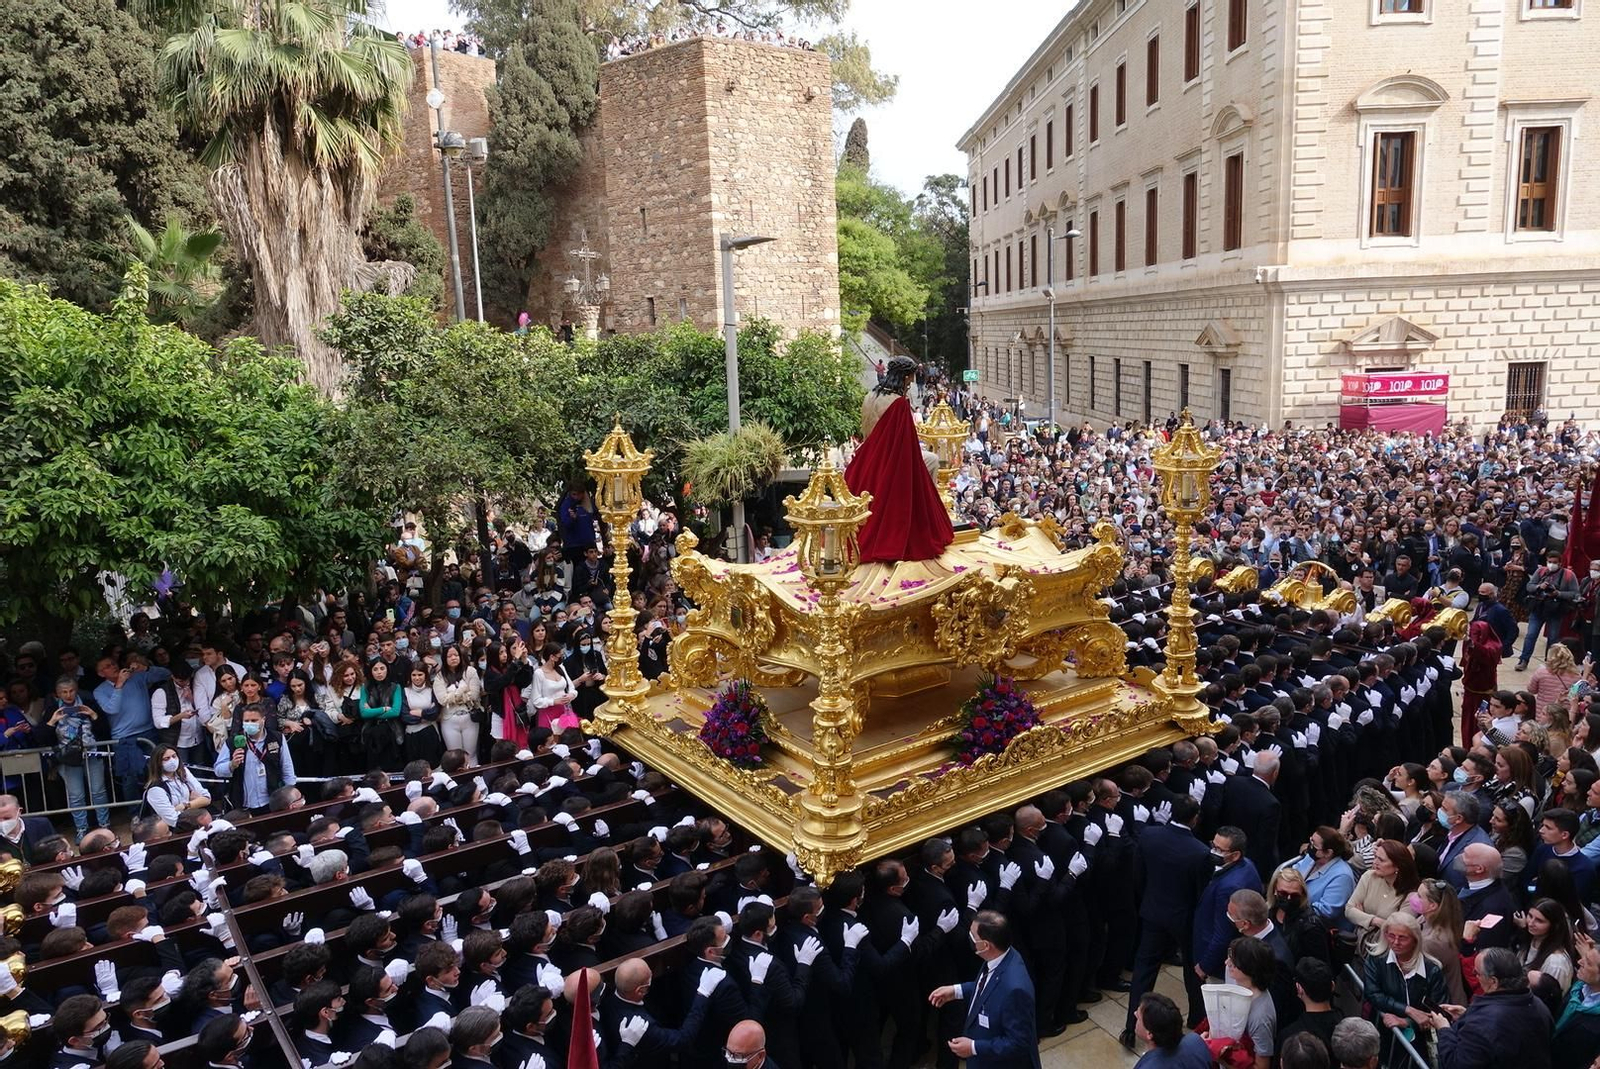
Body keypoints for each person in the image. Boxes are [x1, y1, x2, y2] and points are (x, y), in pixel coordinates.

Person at [844, 355, 955, 563]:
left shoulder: (870, 395)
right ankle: (923, 520)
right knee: (932, 460)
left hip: (865, 456)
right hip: (889, 459)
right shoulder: (899, 403)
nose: (911, 382)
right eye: (910, 378)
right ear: (905, 377)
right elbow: (906, 443)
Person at [927, 910, 1040, 1069]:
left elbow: (1018, 1042)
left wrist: (973, 1047)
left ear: (985, 945)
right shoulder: (1000, 957)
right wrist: (957, 991)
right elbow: (988, 987)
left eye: (973, 936)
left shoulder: (1015, 990)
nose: (970, 938)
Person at [1431, 947, 1553, 1069]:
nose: (1475, 977)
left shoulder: (1481, 1024)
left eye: (1477, 973)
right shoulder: (1539, 1006)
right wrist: (1467, 1015)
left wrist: (1444, 1029)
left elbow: (1456, 1064)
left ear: (1494, 982)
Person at [1363, 911, 1445, 1066]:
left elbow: (1439, 1010)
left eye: (1402, 938)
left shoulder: (1432, 970)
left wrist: (1407, 1022)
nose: (1395, 942)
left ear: (1415, 940)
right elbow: (1373, 994)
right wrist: (1408, 1010)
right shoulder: (1376, 960)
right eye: (1391, 936)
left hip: (1420, 1042)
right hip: (1384, 1035)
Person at [44, 676, 110, 835]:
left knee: (98, 791)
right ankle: (81, 829)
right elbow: (42, 737)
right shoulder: (53, 709)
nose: (68, 695)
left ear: (77, 690)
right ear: (58, 694)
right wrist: (52, 721)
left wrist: (93, 715)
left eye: (71, 691)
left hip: (91, 752)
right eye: (64, 692)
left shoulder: (88, 704)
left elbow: (105, 730)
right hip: (67, 757)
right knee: (76, 796)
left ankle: (104, 825)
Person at [1519, 551, 1582, 671]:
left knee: (1553, 638)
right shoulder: (1541, 571)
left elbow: (1575, 593)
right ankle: (1524, 660)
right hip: (1538, 608)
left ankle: (1549, 663)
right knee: (1531, 635)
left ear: (1560, 563)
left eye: (1554, 562)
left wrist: (1558, 593)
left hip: (1555, 610)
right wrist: (1539, 587)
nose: (1551, 564)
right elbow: (1529, 586)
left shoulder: (1568, 575)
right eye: (1549, 562)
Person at [1131, 992, 1211, 1068]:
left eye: (1138, 1017)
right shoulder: (1196, 1041)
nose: (1134, 1013)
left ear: (1149, 1034)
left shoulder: (1149, 1066)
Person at [142, 745, 211, 825]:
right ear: (158, 763)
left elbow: (207, 797)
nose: (172, 760)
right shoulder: (155, 789)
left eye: (174, 756)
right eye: (166, 759)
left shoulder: (183, 772)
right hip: (171, 828)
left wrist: (185, 806)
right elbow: (173, 820)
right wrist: (197, 802)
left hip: (190, 820)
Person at [1461, 621, 1503, 748]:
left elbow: (1485, 655)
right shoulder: (1470, 643)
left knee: (1480, 725)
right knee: (1467, 724)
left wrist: (1472, 644)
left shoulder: (1493, 647)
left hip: (1483, 694)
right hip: (1470, 691)